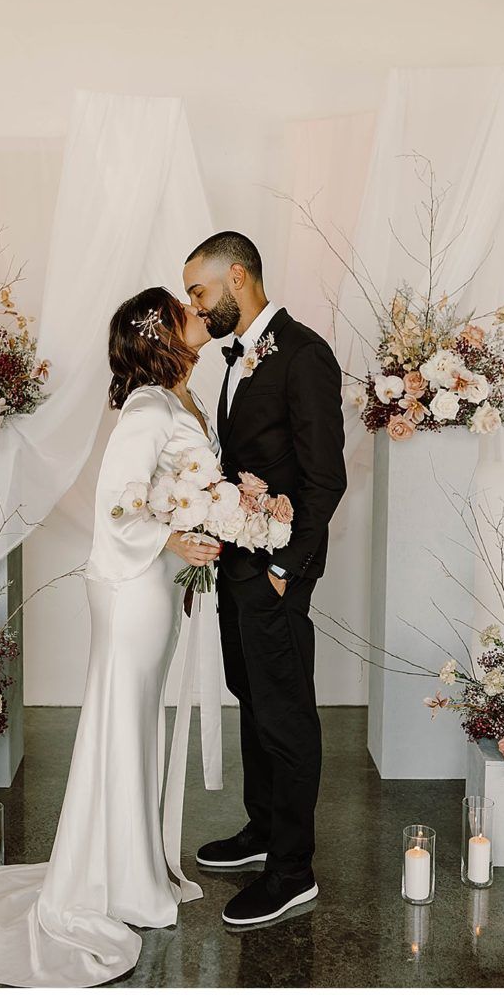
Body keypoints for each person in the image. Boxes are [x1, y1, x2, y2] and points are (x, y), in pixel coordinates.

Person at [0, 287, 221, 987]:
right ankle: (112, 884)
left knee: (134, 723)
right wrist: (175, 538)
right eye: (183, 307)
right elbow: (117, 504)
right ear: (164, 333)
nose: (194, 310)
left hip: (150, 583)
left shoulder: (176, 399)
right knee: (123, 722)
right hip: (132, 588)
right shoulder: (149, 408)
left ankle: (129, 870)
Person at [184, 231, 347, 926]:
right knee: (249, 694)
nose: (194, 303)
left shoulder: (302, 354)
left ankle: (292, 870)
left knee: (284, 713)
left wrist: (285, 569)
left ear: (239, 277)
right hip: (237, 563)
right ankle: (261, 830)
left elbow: (324, 478)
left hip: (275, 568)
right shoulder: (240, 354)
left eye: (199, 291)